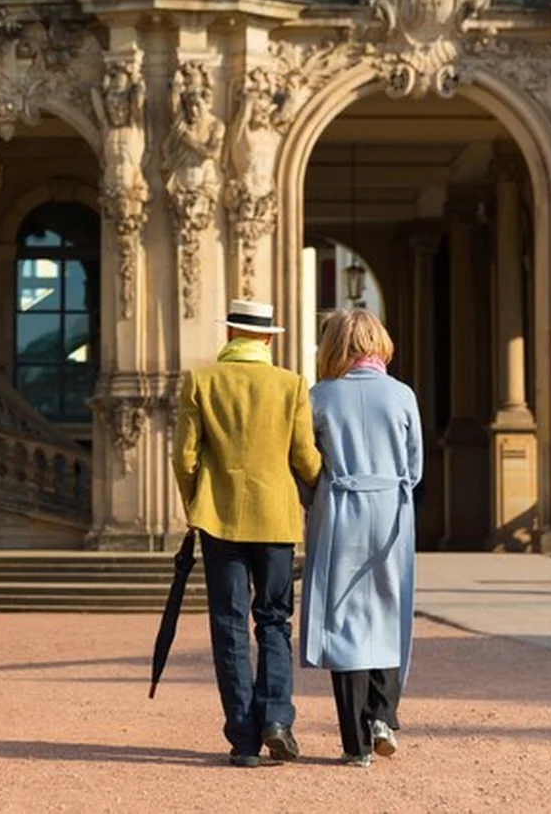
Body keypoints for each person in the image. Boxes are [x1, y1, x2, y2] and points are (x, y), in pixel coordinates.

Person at [172, 299, 321, 768]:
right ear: (268, 339)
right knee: (274, 619)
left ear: (229, 334)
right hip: (275, 519)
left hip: (219, 518)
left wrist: (196, 501)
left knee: (229, 623)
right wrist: (321, 484)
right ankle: (276, 717)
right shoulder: (291, 385)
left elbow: (184, 458)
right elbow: (305, 458)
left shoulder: (201, 381)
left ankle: (242, 736)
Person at [299, 308, 422, 769]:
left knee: (344, 620)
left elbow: (306, 464)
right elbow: (415, 466)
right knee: (389, 612)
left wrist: (317, 498)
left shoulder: (320, 397)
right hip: (391, 509)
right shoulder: (403, 395)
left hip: (340, 509)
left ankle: (356, 744)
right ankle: (383, 716)